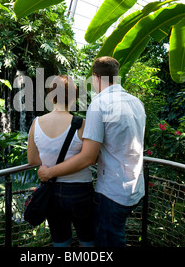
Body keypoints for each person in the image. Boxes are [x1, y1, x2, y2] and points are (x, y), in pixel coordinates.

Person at [38, 57, 146, 247]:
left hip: (112, 192)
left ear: (95, 77)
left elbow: (88, 157)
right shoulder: (136, 102)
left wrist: (49, 172)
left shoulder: (100, 104)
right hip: (135, 188)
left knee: (109, 243)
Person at [27, 75, 95, 247]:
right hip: (80, 191)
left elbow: (33, 159)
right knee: (87, 239)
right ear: (73, 98)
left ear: (51, 96)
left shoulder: (36, 123)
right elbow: (90, 158)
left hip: (52, 193)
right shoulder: (82, 124)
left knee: (60, 241)